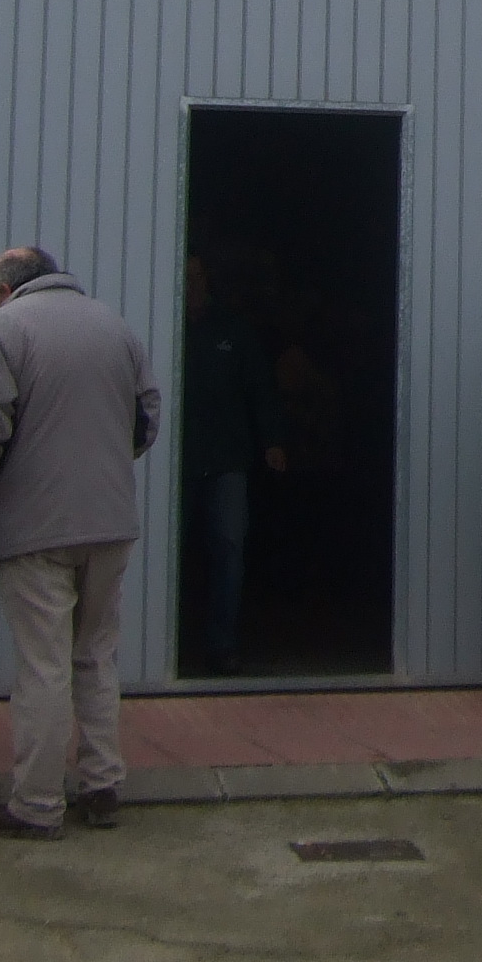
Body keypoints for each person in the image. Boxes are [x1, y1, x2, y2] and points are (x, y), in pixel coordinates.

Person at [0, 245, 161, 841]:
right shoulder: (115, 326)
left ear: (5, 290)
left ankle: (37, 803)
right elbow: (146, 419)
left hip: (35, 527)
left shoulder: (0, 333)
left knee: (44, 666)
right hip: (110, 521)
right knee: (96, 654)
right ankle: (102, 784)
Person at [180, 253, 285, 674]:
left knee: (228, 549)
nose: (190, 283)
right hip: (173, 461)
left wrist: (273, 440)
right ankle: (162, 643)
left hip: (227, 459)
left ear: (208, 279)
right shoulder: (164, 324)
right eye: (184, 276)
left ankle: (221, 645)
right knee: (166, 550)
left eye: (196, 275)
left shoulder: (233, 330)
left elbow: (260, 387)